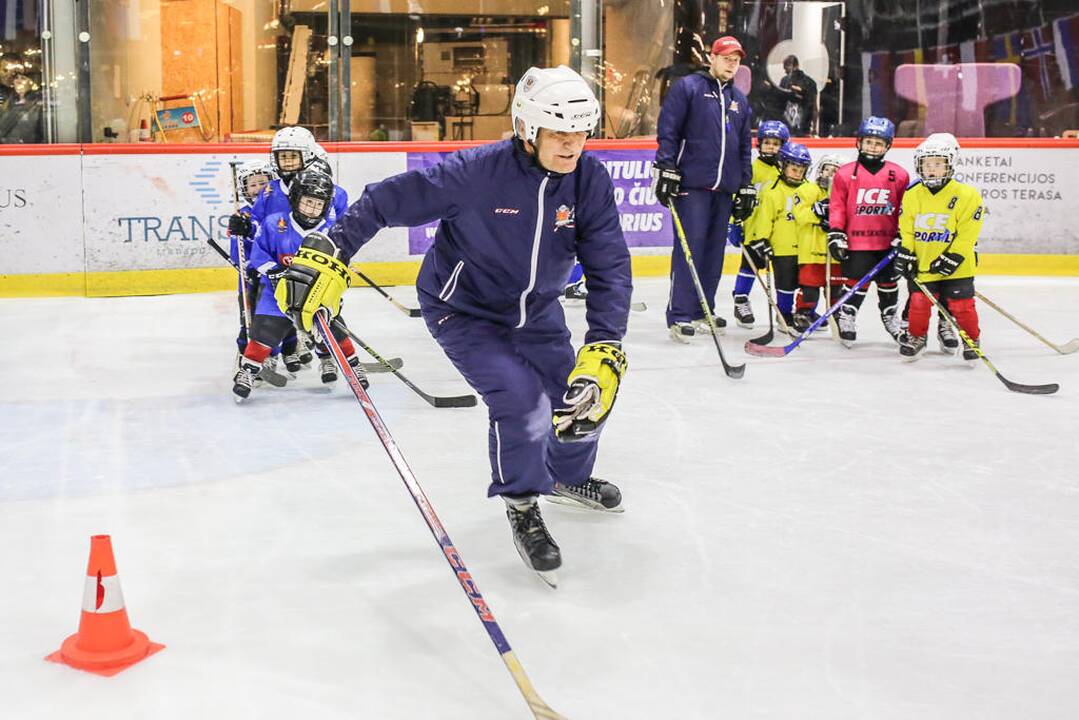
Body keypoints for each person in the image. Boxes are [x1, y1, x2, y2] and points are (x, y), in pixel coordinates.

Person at [274, 65, 632, 585]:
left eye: (580, 132)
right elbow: (384, 200)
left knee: (582, 399)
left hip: (536, 312)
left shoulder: (589, 182)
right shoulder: (476, 172)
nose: (572, 144)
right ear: (528, 130)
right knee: (520, 399)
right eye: (559, 133)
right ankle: (522, 502)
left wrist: (605, 343)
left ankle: (568, 479)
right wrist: (334, 250)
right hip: (463, 310)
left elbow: (609, 267)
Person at [652, 35, 754, 343]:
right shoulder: (688, 88)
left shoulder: (739, 99)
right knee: (689, 249)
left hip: (723, 188)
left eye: (736, 60)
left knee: (713, 253)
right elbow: (668, 129)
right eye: (726, 58)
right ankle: (680, 314)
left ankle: (703, 310)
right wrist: (667, 166)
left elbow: (744, 146)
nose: (731, 64)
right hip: (691, 184)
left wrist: (745, 184)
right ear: (712, 57)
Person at [233, 169, 367, 401]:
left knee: (333, 328)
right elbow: (258, 255)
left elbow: (339, 264)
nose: (312, 209)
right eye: (308, 202)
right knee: (265, 329)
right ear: (295, 199)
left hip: (316, 293)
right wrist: (274, 272)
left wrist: (332, 286)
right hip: (277, 292)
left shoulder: (332, 230)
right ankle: (247, 370)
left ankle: (353, 366)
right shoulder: (274, 223)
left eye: (318, 204)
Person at [894, 133, 986, 363]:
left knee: (962, 305)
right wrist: (906, 253)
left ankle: (971, 340)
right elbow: (907, 229)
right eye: (927, 164)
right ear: (919, 166)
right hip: (924, 262)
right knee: (918, 303)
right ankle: (916, 337)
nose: (932, 169)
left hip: (958, 267)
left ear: (949, 165)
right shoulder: (913, 194)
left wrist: (953, 256)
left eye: (938, 164)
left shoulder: (967, 195)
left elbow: (968, 233)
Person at [827, 116, 909, 347]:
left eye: (879, 143)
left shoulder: (899, 175)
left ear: (888, 146)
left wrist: (904, 234)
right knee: (855, 282)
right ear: (859, 142)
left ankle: (890, 316)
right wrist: (836, 232)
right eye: (869, 142)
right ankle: (848, 315)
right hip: (857, 243)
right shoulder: (844, 174)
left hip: (888, 243)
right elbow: (837, 207)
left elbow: (906, 208)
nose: (873, 147)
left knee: (889, 283)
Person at [744, 142, 814, 333]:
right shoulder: (771, 192)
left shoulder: (810, 190)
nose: (797, 173)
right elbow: (765, 219)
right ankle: (784, 314)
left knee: (807, 283)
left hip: (806, 246)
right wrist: (761, 239)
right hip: (782, 247)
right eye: (793, 168)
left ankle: (805, 314)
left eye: (801, 169)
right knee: (786, 283)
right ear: (783, 166)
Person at [729, 119, 789, 327]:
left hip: (780, 231)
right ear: (759, 144)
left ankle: (786, 309)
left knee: (783, 269)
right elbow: (735, 197)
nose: (771, 147)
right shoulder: (750, 170)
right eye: (767, 143)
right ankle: (741, 299)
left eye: (776, 143)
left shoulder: (786, 171)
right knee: (750, 265)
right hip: (754, 228)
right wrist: (733, 223)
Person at [228, 160, 280, 378]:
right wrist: (248, 267)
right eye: (252, 184)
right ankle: (244, 355)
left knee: (272, 321)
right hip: (250, 279)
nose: (258, 188)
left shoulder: (279, 212)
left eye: (263, 183)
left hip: (274, 276)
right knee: (247, 319)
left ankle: (271, 357)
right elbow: (236, 253)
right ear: (244, 189)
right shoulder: (242, 216)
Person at [791, 153, 845, 331]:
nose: (829, 174)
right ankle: (804, 313)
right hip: (812, 252)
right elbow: (799, 215)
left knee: (836, 288)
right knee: (810, 288)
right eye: (826, 170)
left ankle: (837, 314)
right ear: (819, 171)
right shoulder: (807, 190)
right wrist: (817, 212)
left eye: (834, 172)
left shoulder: (844, 195)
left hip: (835, 253)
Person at [775, 55, 817, 136]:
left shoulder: (785, 81)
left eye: (786, 68)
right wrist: (814, 128)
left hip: (792, 127)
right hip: (803, 128)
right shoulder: (811, 82)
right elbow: (815, 108)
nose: (785, 72)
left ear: (792, 66)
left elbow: (779, 105)